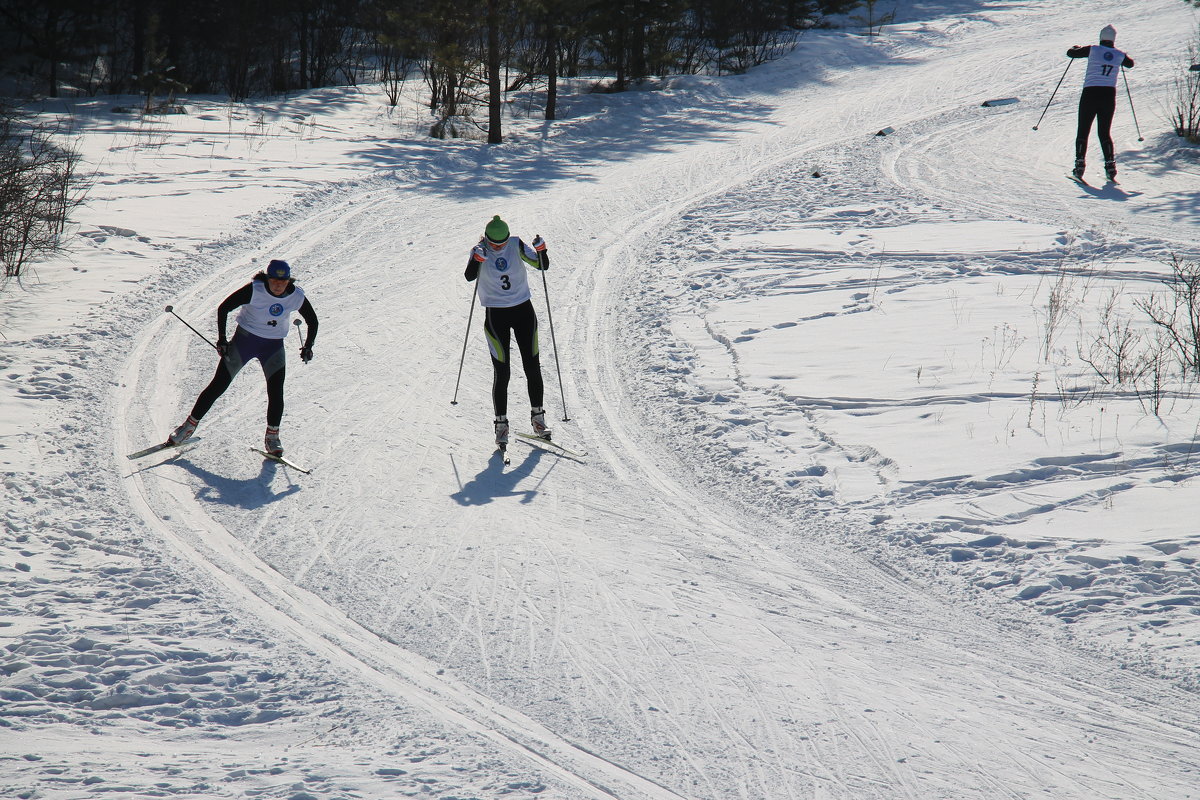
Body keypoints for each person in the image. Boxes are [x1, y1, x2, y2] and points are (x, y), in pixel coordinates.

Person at [167, 259, 318, 456]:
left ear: (289, 280)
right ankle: (187, 427)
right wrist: (222, 339)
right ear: (267, 279)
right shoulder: (255, 290)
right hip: (244, 342)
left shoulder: (295, 296)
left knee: (276, 391)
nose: (279, 286)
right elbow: (224, 307)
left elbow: (312, 320)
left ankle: (272, 437)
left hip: (273, 347)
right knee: (218, 386)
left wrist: (308, 346)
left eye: (284, 282)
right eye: (275, 281)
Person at [464, 215, 551, 446]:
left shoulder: (516, 244)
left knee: (532, 366)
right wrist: (477, 260)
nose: (498, 247)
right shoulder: (479, 250)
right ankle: (501, 426)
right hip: (496, 316)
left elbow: (542, 265)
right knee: (502, 372)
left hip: (523, 311)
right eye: (494, 244)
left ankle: (538, 418)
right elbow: (469, 276)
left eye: (501, 243)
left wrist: (542, 250)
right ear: (487, 238)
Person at [1067, 25, 1134, 183]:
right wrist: (1121, 55)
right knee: (1104, 132)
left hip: (1090, 93)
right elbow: (1130, 64)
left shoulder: (1093, 50)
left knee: (1083, 130)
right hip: (1108, 96)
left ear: (1101, 37)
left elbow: (1070, 53)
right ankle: (1110, 167)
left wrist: (1075, 47)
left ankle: (1079, 166)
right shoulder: (1119, 55)